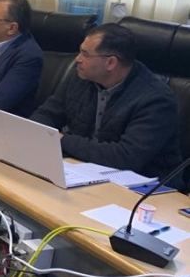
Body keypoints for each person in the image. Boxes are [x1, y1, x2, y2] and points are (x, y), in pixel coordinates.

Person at [30, 23, 181, 180]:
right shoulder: (81, 77)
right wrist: (38, 132)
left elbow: (125, 157)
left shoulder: (156, 99)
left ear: (111, 63)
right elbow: (47, 114)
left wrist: (61, 140)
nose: (77, 59)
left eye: (85, 54)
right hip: (83, 169)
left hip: (142, 185)